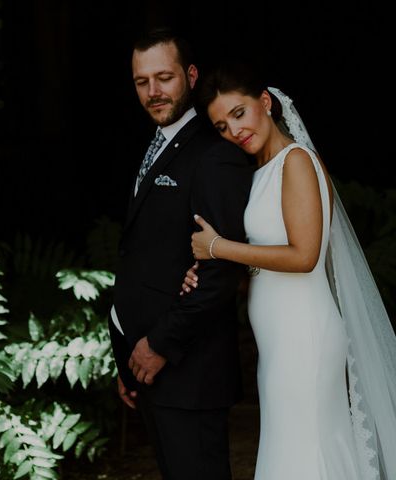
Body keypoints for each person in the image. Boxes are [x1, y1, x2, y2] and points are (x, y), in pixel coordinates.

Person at [181, 62, 396, 479]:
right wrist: (204, 266)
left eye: (238, 113)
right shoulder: (262, 171)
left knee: (306, 454)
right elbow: (264, 260)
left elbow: (305, 256)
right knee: (297, 451)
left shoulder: (296, 161)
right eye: (221, 126)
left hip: (306, 340)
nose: (234, 130)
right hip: (280, 344)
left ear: (265, 102)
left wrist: (220, 248)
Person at [108, 28, 253, 479]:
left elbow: (219, 272)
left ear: (190, 75)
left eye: (164, 77)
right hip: (150, 370)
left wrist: (157, 347)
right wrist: (128, 361)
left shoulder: (214, 155)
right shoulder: (156, 144)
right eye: (141, 81)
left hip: (188, 370)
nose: (153, 92)